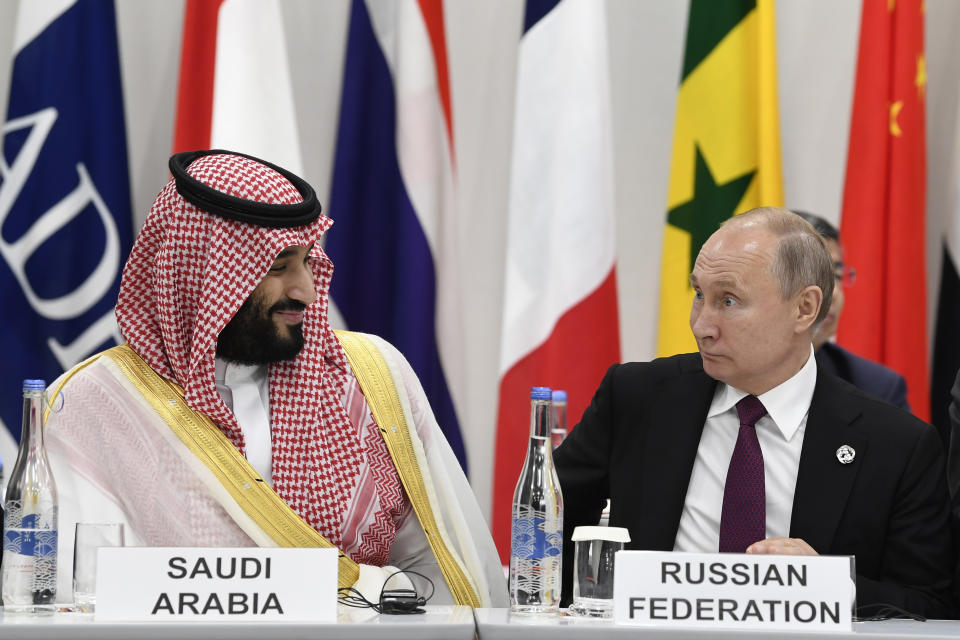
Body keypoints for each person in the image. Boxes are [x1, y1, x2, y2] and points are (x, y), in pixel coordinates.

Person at [44, 150, 508, 608]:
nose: (305, 289)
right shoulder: (94, 403)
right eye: (279, 267)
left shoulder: (371, 376)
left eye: (308, 262)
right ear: (203, 275)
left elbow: (440, 569)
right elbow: (79, 593)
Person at [555, 207, 956, 618]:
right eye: (699, 295)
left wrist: (828, 584)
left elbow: (931, 603)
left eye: (728, 300)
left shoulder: (897, 446)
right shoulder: (637, 398)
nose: (701, 325)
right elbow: (546, 523)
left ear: (804, 309)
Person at [791, 210, 910, 411]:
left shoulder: (877, 389)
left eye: (837, 275)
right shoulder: (723, 370)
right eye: (814, 274)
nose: (834, 292)